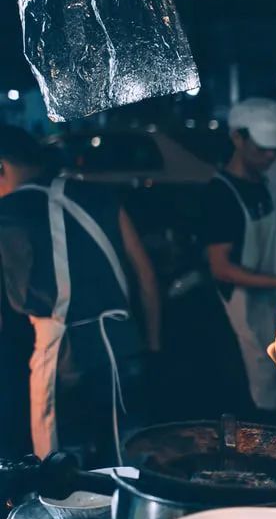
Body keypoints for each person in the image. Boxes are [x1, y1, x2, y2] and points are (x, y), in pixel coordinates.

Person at [0, 125, 161, 467]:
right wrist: (152, 344)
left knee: (64, 471)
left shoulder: (8, 213)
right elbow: (146, 277)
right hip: (124, 347)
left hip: (62, 359)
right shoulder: (99, 196)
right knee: (129, 459)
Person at [201, 99, 276, 417]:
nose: (270, 156)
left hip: (273, 307)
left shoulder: (261, 184)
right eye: (262, 148)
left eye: (274, 150)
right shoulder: (220, 194)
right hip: (240, 314)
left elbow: (272, 242)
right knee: (253, 408)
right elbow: (221, 268)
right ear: (237, 139)